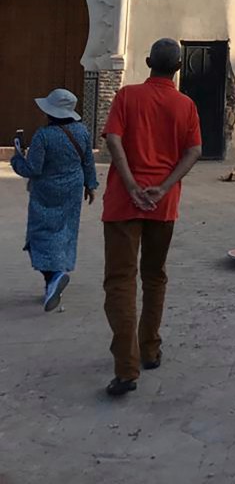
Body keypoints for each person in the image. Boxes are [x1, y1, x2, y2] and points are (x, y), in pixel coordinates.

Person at [102, 38, 202, 398]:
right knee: (154, 277)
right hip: (163, 206)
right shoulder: (185, 105)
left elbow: (112, 140)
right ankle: (149, 349)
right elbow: (194, 151)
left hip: (122, 204)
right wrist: (163, 187)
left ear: (147, 62)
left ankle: (126, 368)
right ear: (178, 69)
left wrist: (130, 185)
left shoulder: (127, 96)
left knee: (120, 281)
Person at [10, 88, 98, 312]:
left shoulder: (43, 136)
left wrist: (16, 159)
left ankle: (54, 276)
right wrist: (91, 185)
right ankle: (52, 284)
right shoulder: (82, 131)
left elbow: (33, 169)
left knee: (39, 236)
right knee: (64, 233)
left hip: (45, 192)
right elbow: (88, 160)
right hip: (72, 189)